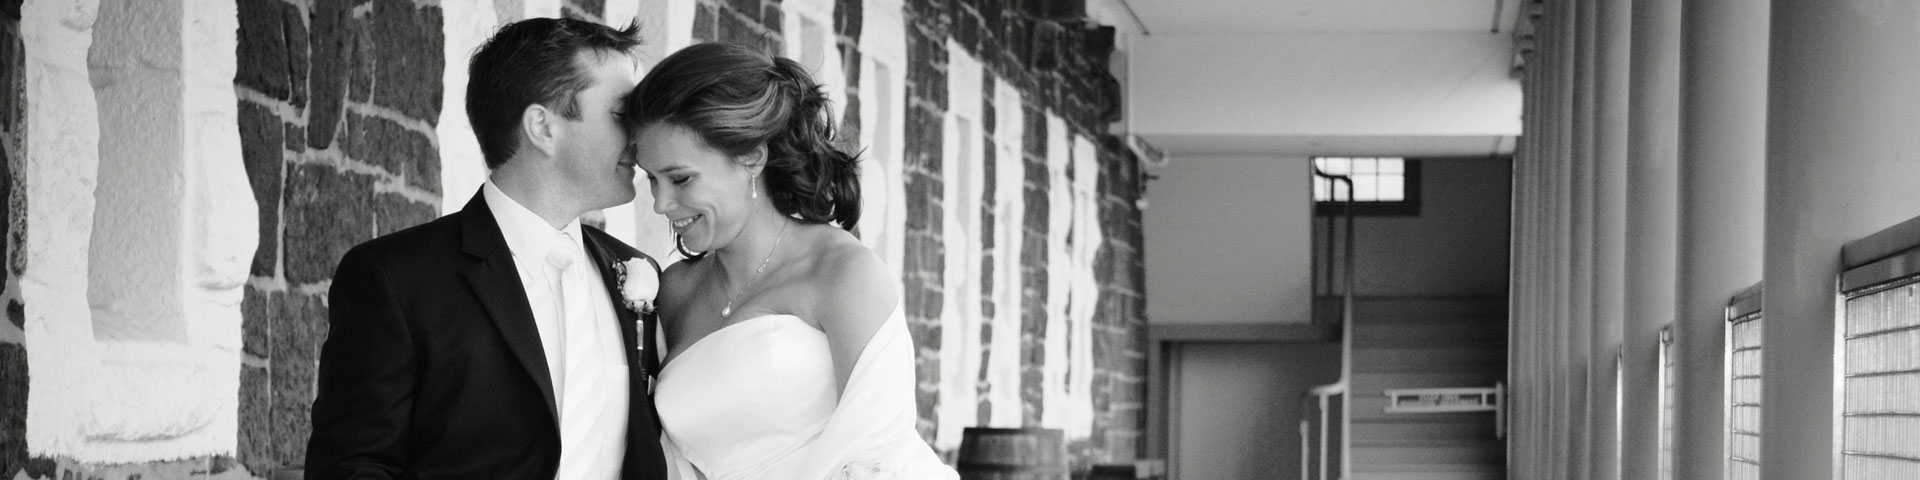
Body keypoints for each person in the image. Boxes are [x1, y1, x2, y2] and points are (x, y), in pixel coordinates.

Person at [306, 18, 668, 479]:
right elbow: (353, 466)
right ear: (542, 126)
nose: (639, 137)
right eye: (622, 115)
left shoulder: (636, 274)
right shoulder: (395, 280)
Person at [625, 42, 958, 480]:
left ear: (751, 157)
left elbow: (877, 454)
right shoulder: (674, 291)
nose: (661, 203)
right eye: (651, 178)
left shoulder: (840, 273)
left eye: (680, 178)